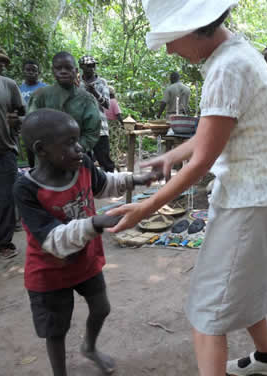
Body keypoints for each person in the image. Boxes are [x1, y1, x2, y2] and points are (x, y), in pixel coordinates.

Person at [107, 1, 267, 375]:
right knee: (246, 287)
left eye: (172, 39)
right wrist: (172, 154)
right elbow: (217, 132)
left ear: (195, 28)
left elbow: (203, 159)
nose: (171, 49)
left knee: (207, 312)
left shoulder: (226, 68)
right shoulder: (240, 54)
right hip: (260, 197)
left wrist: (145, 208)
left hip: (246, 206)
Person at [14, 108, 158, 376]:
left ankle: (89, 347)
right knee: (56, 330)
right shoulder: (27, 190)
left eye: (77, 139)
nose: (79, 148)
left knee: (101, 308)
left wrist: (136, 179)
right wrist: (94, 223)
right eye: (69, 143)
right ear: (41, 149)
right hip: (49, 273)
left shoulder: (81, 165)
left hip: (84, 261)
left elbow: (103, 185)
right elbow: (52, 239)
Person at [0, 41, 26, 259]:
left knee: (5, 201)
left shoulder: (8, 85)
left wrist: (17, 120)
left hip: (3, 153)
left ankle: (4, 243)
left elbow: (23, 114)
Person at [28, 52, 101, 154]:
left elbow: (92, 132)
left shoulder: (87, 99)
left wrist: (76, 148)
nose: (63, 71)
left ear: (75, 71)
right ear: (53, 71)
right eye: (58, 68)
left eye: (68, 68)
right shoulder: (40, 96)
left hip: (76, 158)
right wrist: (47, 149)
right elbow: (31, 126)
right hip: (46, 158)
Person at [79, 55, 115, 172]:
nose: (92, 68)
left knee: (104, 160)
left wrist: (94, 92)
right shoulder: (78, 83)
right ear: (81, 67)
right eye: (89, 66)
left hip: (100, 128)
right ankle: (90, 187)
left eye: (94, 65)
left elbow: (107, 104)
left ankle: (112, 185)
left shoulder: (101, 82)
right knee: (85, 160)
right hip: (83, 128)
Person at [19, 59, 48, 168]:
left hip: (43, 128)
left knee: (44, 154)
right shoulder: (19, 89)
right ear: (23, 71)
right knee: (31, 156)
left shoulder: (45, 88)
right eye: (28, 70)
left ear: (38, 73)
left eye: (34, 70)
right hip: (27, 128)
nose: (31, 72)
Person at [104, 86, 125, 168]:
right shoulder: (113, 101)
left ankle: (106, 162)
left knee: (107, 144)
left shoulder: (103, 101)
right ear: (113, 93)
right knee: (114, 144)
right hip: (113, 126)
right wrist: (123, 124)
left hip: (105, 125)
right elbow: (118, 114)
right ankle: (113, 163)